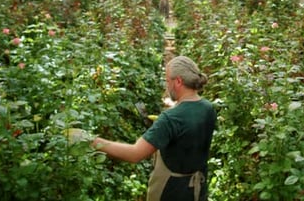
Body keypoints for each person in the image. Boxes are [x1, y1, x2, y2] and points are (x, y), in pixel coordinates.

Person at [92, 56, 217, 201]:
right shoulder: (208, 108)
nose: (166, 85)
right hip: (199, 191)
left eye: (167, 81)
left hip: (170, 192)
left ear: (178, 81)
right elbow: (188, 134)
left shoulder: (170, 119)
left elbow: (135, 154)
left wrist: (93, 141)